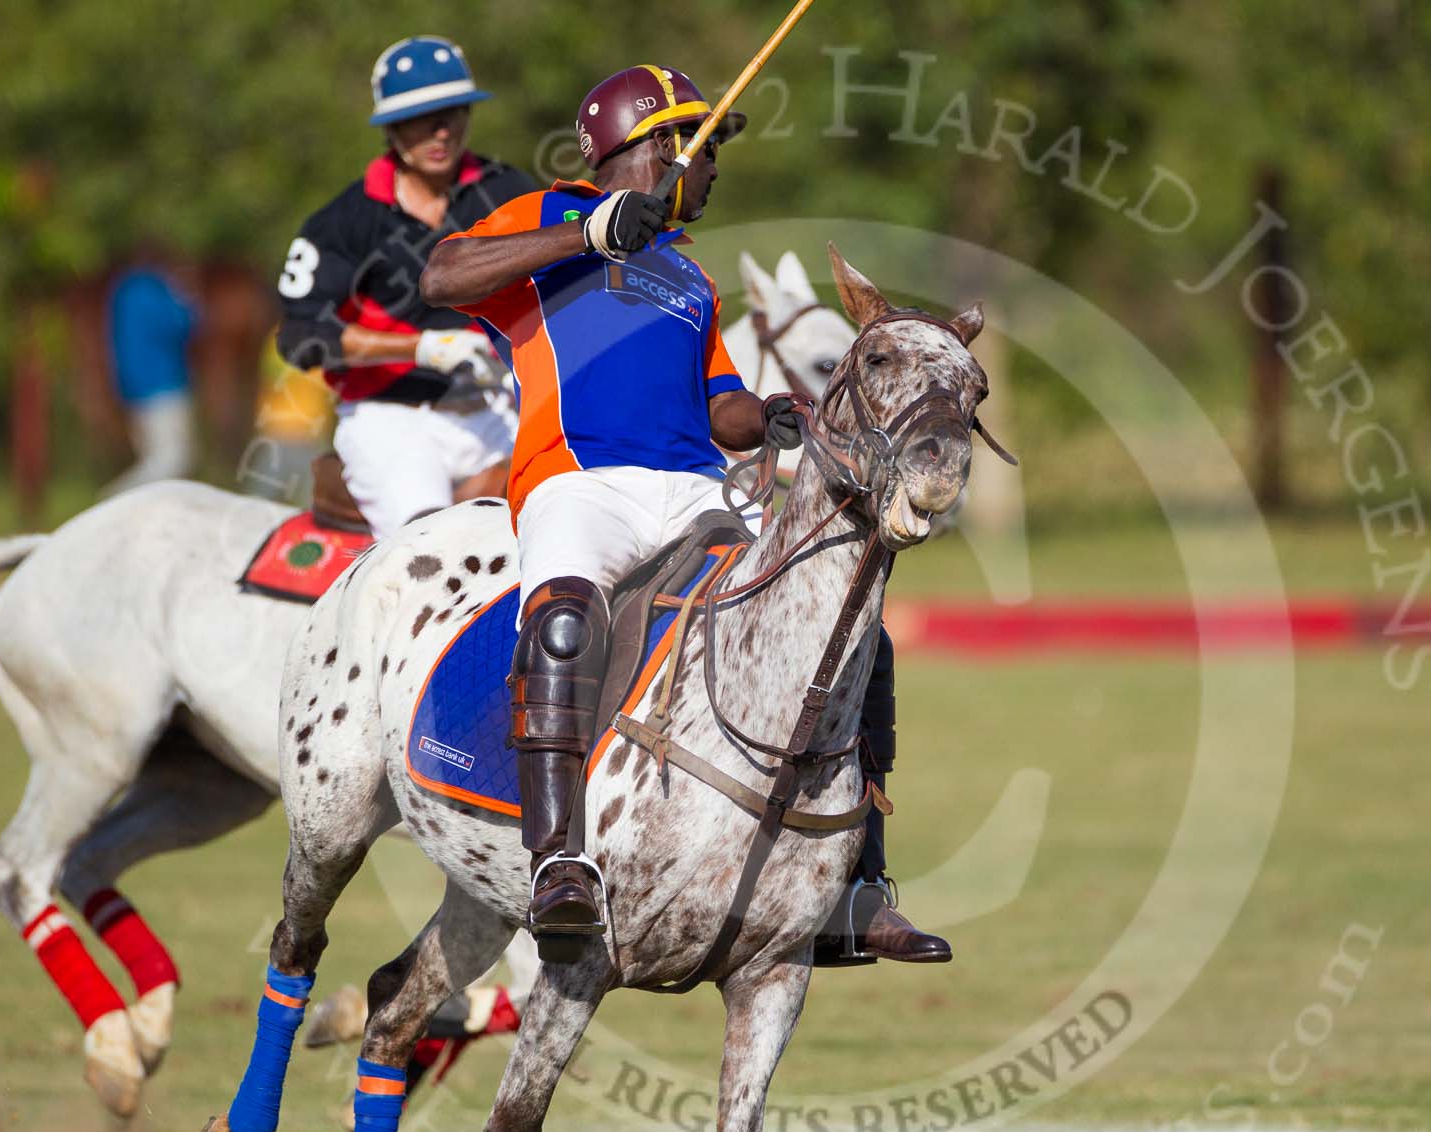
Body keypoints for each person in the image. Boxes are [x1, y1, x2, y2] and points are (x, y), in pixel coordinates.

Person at [420, 63, 948, 965]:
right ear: (653, 147)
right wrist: (589, 231)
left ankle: (857, 885)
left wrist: (773, 414)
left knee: (842, 628)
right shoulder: (548, 213)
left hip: (697, 488)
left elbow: (719, 408)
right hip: (579, 477)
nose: (713, 169)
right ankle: (558, 865)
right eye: (703, 148)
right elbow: (443, 274)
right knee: (561, 625)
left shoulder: (688, 277)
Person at [275, 36, 537, 537]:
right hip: (391, 419)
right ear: (392, 128)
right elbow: (301, 336)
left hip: (498, 408)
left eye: (452, 112)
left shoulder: (508, 192)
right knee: (431, 548)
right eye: (422, 118)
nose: (440, 131)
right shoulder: (344, 221)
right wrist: (424, 349)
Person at [103, 249, 199, 496]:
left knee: (154, 459)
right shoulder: (155, 289)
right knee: (173, 460)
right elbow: (182, 323)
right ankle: (113, 501)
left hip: (131, 388)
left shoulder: (122, 290)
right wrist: (187, 299)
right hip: (163, 382)